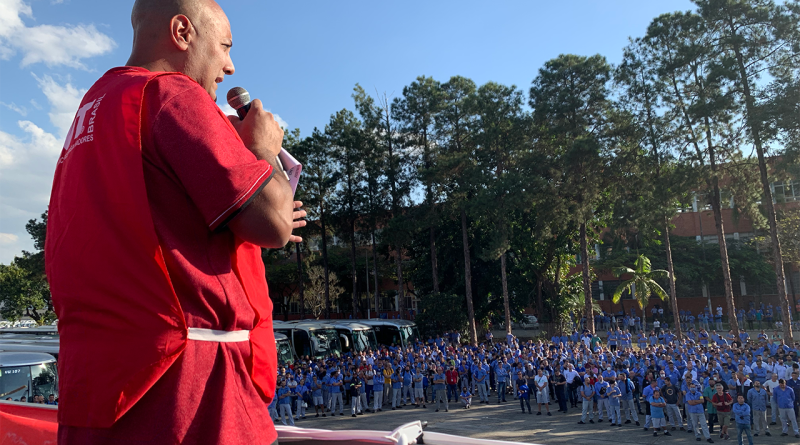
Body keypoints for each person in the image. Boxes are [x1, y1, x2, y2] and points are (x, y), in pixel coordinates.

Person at [48, 1, 304, 444]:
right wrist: (263, 149)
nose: (229, 65)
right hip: (186, 388)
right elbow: (274, 225)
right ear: (183, 32)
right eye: (224, 46)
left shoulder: (94, 106)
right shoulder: (175, 95)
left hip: (100, 390)